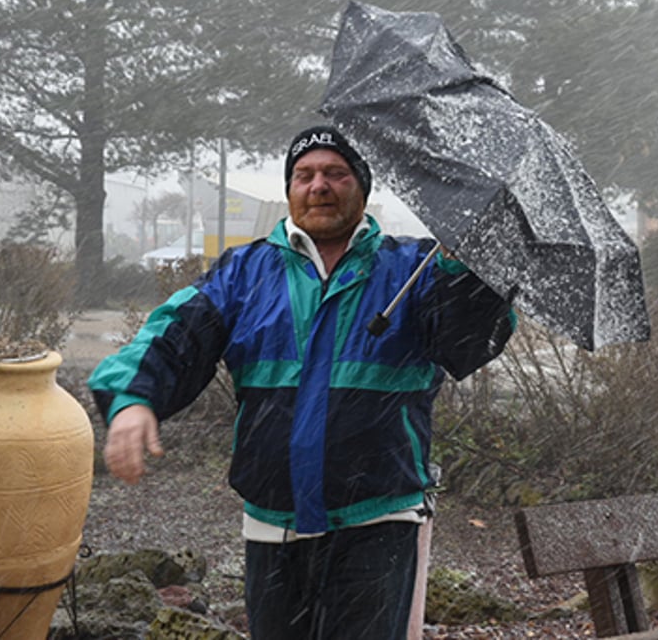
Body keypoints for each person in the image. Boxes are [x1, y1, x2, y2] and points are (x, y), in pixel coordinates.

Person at [89, 124, 515, 638]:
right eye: (304, 175)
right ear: (289, 189)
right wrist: (135, 397)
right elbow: (171, 333)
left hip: (379, 522)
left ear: (362, 186)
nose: (319, 185)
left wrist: (471, 270)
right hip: (273, 523)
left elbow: (471, 341)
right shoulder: (244, 273)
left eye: (336, 173)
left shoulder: (415, 271)